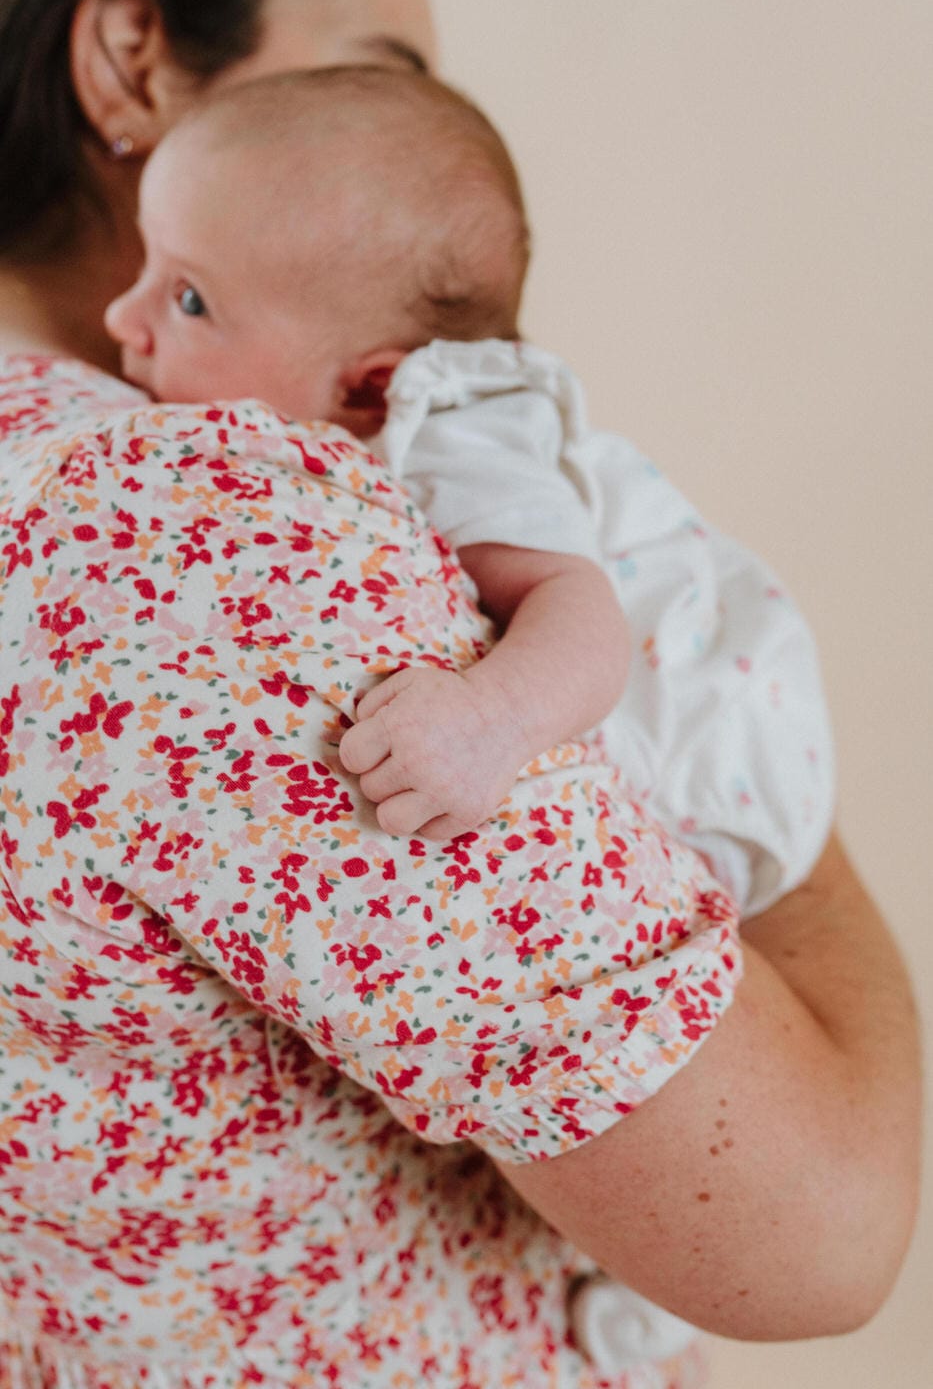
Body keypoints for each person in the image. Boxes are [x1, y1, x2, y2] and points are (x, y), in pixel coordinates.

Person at [0, 0, 921, 1389]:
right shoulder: (225, 529)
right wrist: (705, 720)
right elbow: (818, 1235)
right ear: (131, 55)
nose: (422, 148)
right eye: (375, 78)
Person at [105, 66, 834, 923]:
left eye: (188, 298)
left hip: (704, 743)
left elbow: (580, 611)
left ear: (368, 391)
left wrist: (494, 719)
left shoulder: (454, 430)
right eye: (147, 263)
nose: (122, 315)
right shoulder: (328, 417)